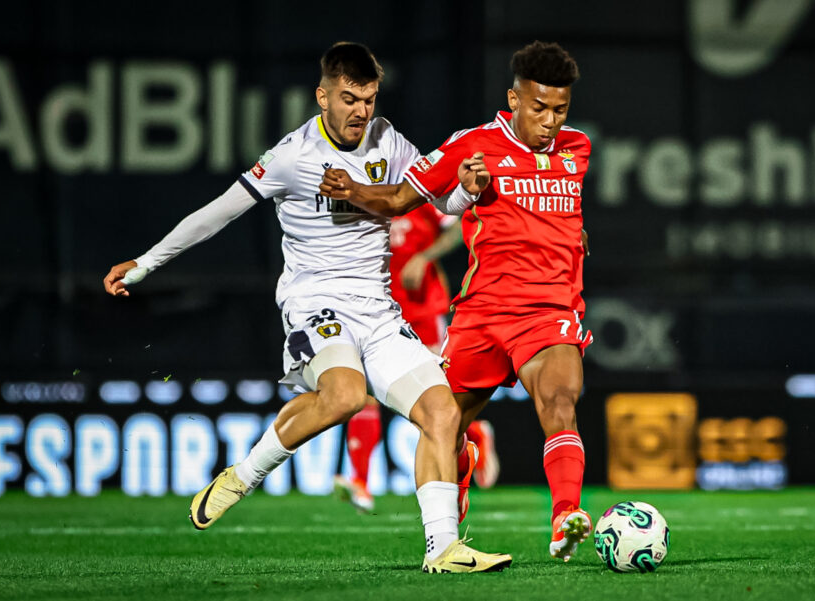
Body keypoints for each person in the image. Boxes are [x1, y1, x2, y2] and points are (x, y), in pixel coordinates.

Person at [102, 41, 510, 574]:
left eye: (368, 99)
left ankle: (443, 548)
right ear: (322, 96)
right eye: (348, 99)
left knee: (443, 412)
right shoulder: (292, 155)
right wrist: (146, 264)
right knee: (342, 395)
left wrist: (469, 192)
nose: (360, 111)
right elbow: (216, 213)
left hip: (378, 311)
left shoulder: (388, 138)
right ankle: (244, 475)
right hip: (315, 302)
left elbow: (441, 203)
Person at [320, 41, 592, 562]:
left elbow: (568, 216)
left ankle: (564, 519)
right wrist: (352, 189)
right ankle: (453, 495)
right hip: (483, 314)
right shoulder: (475, 146)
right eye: (539, 108)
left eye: (560, 110)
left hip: (549, 312)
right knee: (444, 422)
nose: (551, 121)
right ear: (514, 99)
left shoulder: (577, 149)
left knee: (559, 403)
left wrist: (577, 240)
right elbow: (401, 199)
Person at [334, 209, 500, 513]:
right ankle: (360, 482)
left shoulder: (419, 189)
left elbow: (460, 228)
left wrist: (424, 257)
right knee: (366, 394)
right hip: (379, 313)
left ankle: (474, 433)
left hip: (423, 309)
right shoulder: (366, 193)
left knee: (438, 397)